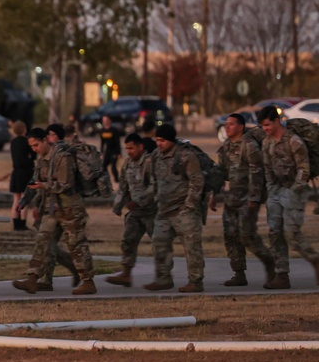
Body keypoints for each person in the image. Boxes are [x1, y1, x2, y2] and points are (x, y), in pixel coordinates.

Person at [12, 124, 96, 295]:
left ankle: (88, 281)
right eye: (31, 147)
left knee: (76, 244)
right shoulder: (41, 160)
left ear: (45, 141)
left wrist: (44, 185)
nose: (34, 149)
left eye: (36, 145)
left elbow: (66, 184)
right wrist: (24, 201)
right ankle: (32, 279)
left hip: (70, 208)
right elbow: (34, 181)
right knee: (42, 241)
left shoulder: (63, 157)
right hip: (52, 208)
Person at [212, 113, 276, 287]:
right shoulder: (225, 147)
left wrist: (254, 198)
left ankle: (269, 262)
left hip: (248, 198)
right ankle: (239, 273)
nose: (227, 127)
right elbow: (221, 173)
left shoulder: (249, 145)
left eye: (231, 124)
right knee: (230, 236)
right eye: (226, 124)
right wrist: (214, 194)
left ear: (240, 126)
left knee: (247, 235)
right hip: (232, 197)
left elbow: (257, 172)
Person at [260, 105, 319, 288]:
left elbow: (304, 169)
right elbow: (268, 168)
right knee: (275, 232)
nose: (265, 129)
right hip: (277, 190)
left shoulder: (294, 141)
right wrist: (271, 190)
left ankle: (316, 261)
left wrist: (296, 191)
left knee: (292, 233)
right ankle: (282, 275)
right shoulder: (267, 143)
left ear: (277, 121)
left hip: (296, 190)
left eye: (268, 125)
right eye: (263, 126)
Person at [146, 124, 205, 293]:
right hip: (164, 210)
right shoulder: (156, 156)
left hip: (183, 210)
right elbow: (154, 180)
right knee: (159, 243)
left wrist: (189, 205)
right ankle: (163, 278)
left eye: (162, 140)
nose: (159, 144)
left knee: (191, 246)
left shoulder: (186, 156)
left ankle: (195, 280)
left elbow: (197, 182)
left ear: (171, 140)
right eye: (157, 140)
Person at [106, 133, 158, 287]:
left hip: (151, 212)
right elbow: (123, 186)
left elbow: (155, 186)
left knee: (159, 244)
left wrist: (139, 200)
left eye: (131, 148)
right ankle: (126, 274)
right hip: (135, 213)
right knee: (128, 241)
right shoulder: (128, 163)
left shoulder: (150, 163)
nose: (128, 151)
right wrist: (118, 206)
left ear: (140, 147)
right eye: (126, 148)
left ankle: (163, 276)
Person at [9, 121, 34, 231]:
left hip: (16, 172)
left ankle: (16, 223)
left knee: (16, 199)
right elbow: (33, 155)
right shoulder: (26, 141)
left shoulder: (13, 142)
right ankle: (23, 223)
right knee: (25, 199)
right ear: (24, 130)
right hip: (26, 172)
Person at [99, 116, 122, 184]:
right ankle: (107, 178)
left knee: (113, 166)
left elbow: (117, 142)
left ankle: (116, 180)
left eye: (106, 120)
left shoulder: (114, 130)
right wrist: (102, 152)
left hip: (114, 151)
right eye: (104, 120)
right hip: (107, 151)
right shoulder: (102, 131)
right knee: (104, 166)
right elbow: (102, 143)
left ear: (109, 121)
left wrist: (119, 153)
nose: (105, 122)